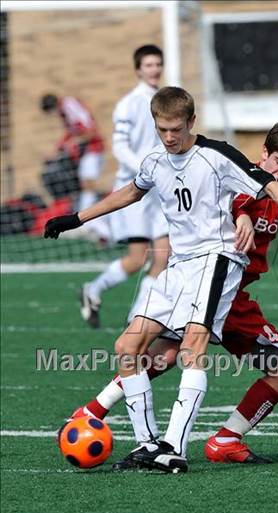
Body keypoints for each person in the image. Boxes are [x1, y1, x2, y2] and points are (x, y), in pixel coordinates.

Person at [68, 121, 278, 467]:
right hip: (207, 283)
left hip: (236, 302)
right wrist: (242, 217)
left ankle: (221, 439)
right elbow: (230, 201)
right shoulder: (230, 174)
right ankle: (122, 425)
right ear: (264, 153)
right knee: (164, 354)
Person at [79, 45, 170, 328]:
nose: (154, 69)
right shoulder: (129, 104)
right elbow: (119, 147)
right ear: (138, 69)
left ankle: (137, 316)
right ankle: (93, 289)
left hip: (159, 189)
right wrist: (144, 167)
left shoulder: (166, 101)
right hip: (134, 191)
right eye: (149, 65)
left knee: (164, 255)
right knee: (137, 258)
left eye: (158, 64)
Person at [40, 93, 105, 212]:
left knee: (88, 183)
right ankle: (85, 214)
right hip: (84, 151)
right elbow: (72, 133)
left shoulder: (70, 106)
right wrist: (59, 148)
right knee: (82, 184)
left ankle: (87, 215)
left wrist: (73, 143)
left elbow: (90, 129)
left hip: (92, 149)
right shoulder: (64, 111)